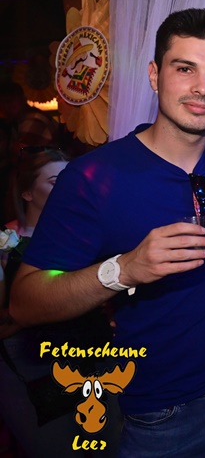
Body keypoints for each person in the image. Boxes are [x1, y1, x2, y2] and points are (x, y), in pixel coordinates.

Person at [9, 9, 205, 457]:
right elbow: (25, 301)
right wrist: (123, 270)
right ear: (155, 75)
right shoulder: (93, 178)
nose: (201, 88)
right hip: (164, 420)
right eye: (185, 68)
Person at [0, 148, 120, 457]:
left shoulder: (88, 235)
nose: (69, 188)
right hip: (34, 373)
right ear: (27, 192)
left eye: (73, 180)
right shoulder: (6, 245)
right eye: (56, 181)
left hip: (95, 361)